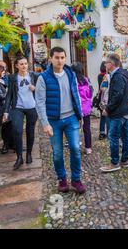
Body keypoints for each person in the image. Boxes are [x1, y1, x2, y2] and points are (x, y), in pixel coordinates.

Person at [36, 47, 87, 194]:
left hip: (71, 118)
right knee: (57, 153)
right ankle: (62, 179)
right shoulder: (43, 78)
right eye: (57, 57)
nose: (60, 61)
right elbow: (39, 102)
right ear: (50, 58)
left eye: (62, 57)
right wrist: (45, 123)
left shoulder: (71, 74)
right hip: (54, 121)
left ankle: (76, 180)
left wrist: (80, 116)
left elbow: (75, 94)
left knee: (75, 149)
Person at [100, 54, 128, 173]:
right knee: (125, 136)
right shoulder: (118, 74)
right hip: (123, 110)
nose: (105, 64)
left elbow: (117, 95)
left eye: (106, 62)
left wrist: (108, 108)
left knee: (114, 136)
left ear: (112, 64)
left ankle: (115, 163)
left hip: (119, 111)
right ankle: (124, 160)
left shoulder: (118, 76)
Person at [3, 56, 39, 170]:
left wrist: (36, 88)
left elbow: (43, 89)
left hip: (32, 107)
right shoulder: (12, 78)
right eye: (21, 64)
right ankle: (19, 157)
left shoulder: (34, 75)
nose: (24, 66)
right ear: (17, 66)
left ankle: (28, 153)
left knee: (30, 131)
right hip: (17, 107)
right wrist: (6, 111)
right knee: (17, 130)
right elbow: (9, 95)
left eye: (25, 63)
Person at [71, 62, 94, 155]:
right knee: (87, 128)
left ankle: (76, 146)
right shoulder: (86, 79)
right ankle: (88, 148)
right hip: (86, 108)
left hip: (76, 108)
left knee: (75, 128)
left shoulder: (72, 81)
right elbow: (91, 92)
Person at [97, 62, 108, 140]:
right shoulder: (107, 76)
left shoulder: (99, 76)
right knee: (108, 116)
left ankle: (101, 133)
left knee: (102, 116)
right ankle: (109, 132)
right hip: (106, 97)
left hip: (101, 97)